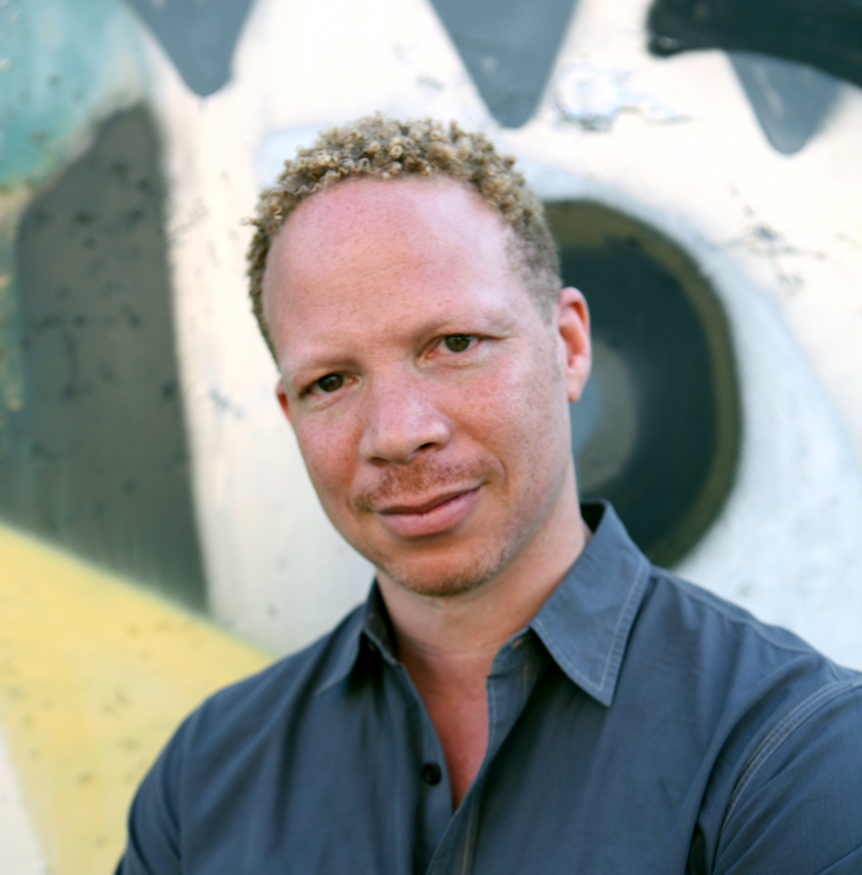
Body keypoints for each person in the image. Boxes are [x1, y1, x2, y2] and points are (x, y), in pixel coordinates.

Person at [116, 116, 862, 874]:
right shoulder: (203, 781)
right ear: (292, 415)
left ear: (569, 348)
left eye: (455, 344)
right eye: (331, 382)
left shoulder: (797, 751)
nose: (398, 433)